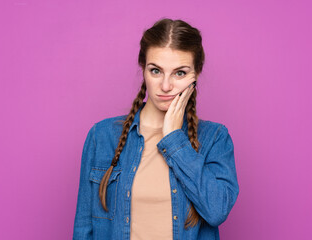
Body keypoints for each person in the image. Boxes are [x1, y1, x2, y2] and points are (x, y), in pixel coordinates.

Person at [73, 18, 239, 240]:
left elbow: (217, 210)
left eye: (179, 73)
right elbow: (84, 229)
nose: (166, 86)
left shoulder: (215, 139)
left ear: (196, 74)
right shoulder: (102, 136)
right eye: (156, 71)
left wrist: (173, 139)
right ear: (143, 69)